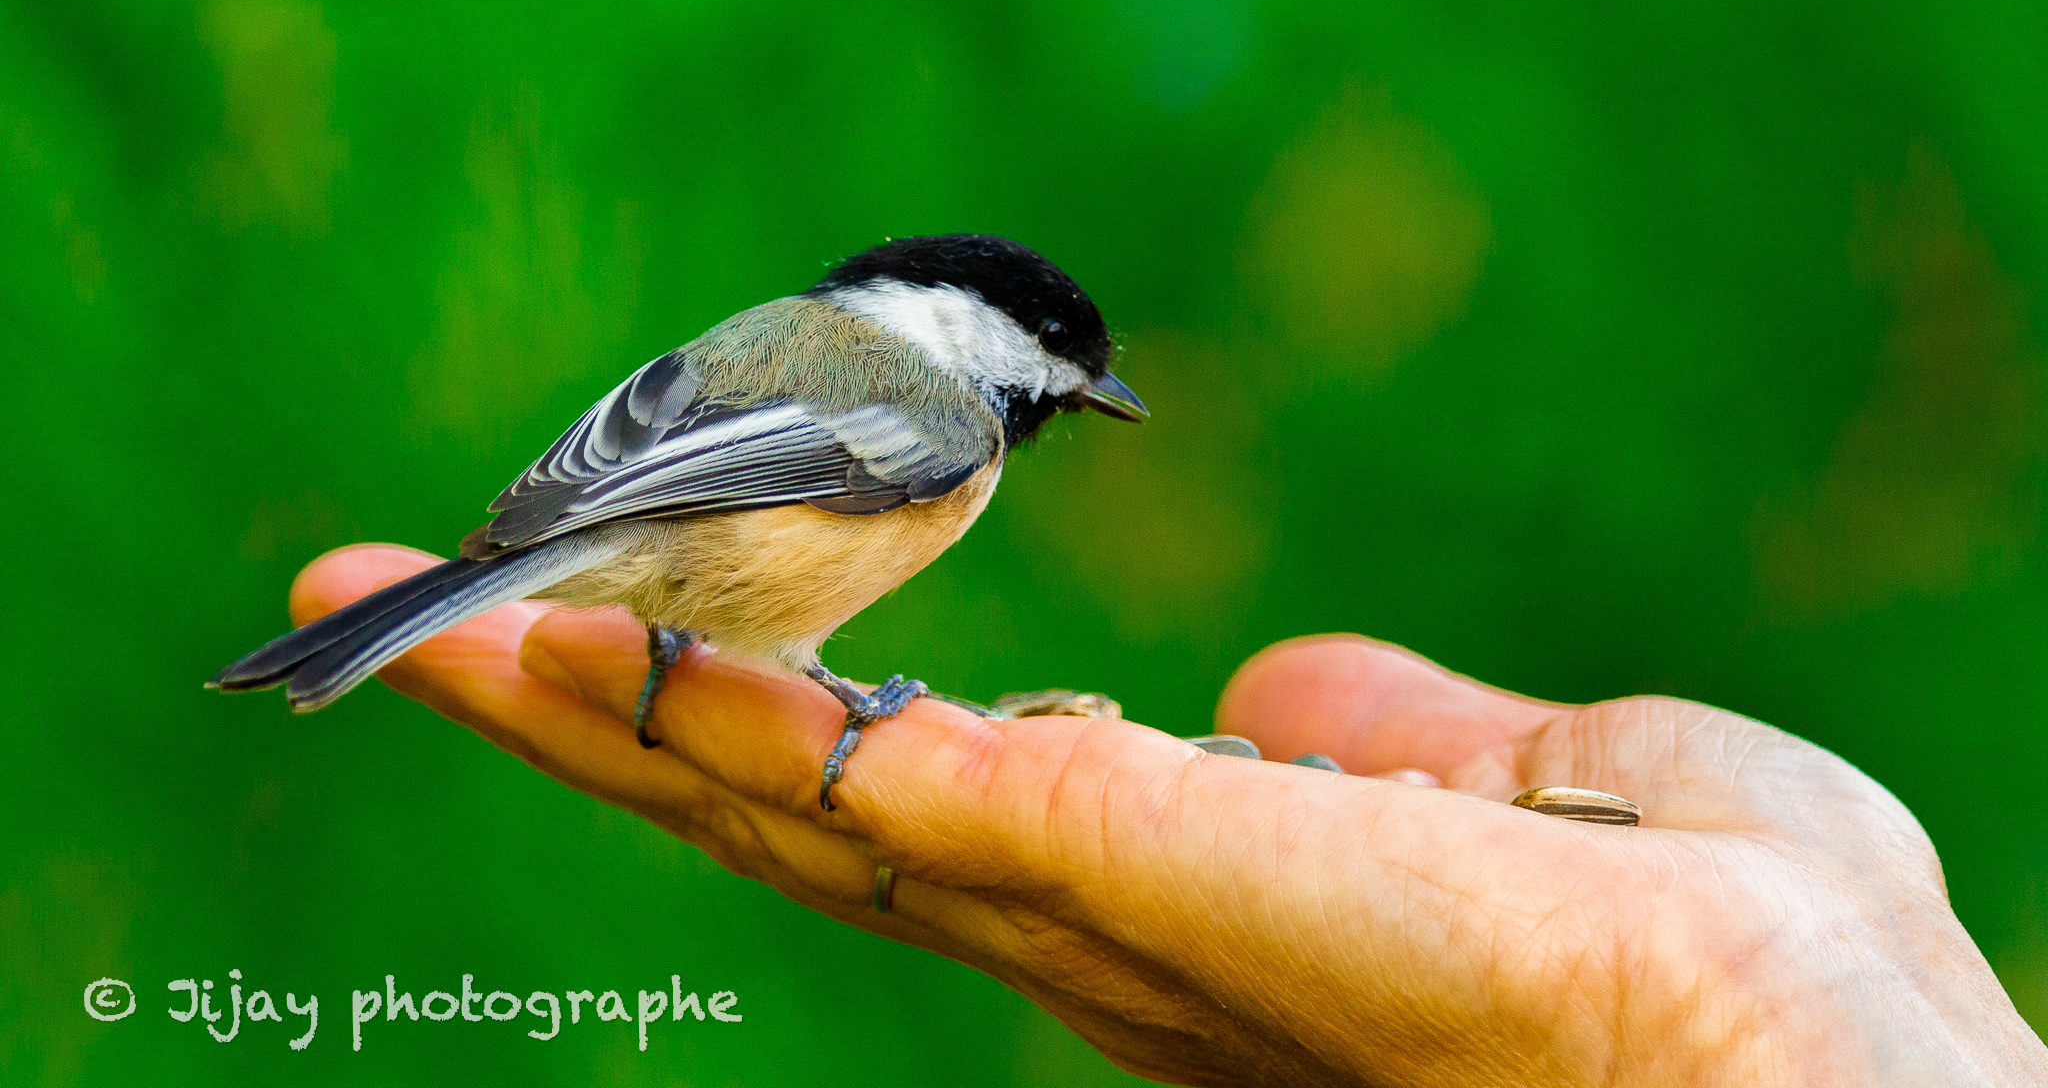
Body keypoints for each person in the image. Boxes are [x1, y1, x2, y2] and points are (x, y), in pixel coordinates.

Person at [297, 544, 2047, 1085]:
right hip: (687, 545)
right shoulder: (931, 421)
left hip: (627, 524)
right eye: (1060, 363)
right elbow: (739, 493)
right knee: (797, 671)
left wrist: (1741, 1024)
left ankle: (612, 640)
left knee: (601, 622)